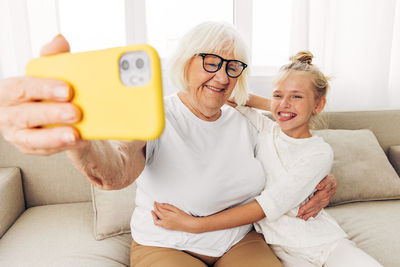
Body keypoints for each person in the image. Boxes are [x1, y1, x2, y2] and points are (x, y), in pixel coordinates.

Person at [0, 22, 338, 266]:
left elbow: (294, 149)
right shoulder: (156, 114)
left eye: (232, 67)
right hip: (167, 246)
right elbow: (116, 170)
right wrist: (81, 142)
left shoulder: (246, 120)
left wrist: (323, 179)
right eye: (211, 62)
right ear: (186, 62)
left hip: (239, 240)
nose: (221, 77)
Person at [151, 51, 383, 267]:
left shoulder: (319, 153)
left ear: (319, 104)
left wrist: (194, 225)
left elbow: (268, 205)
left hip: (322, 243)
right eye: (278, 95)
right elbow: (231, 97)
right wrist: (280, 106)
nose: (285, 103)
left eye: (297, 96)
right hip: (280, 250)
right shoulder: (265, 128)